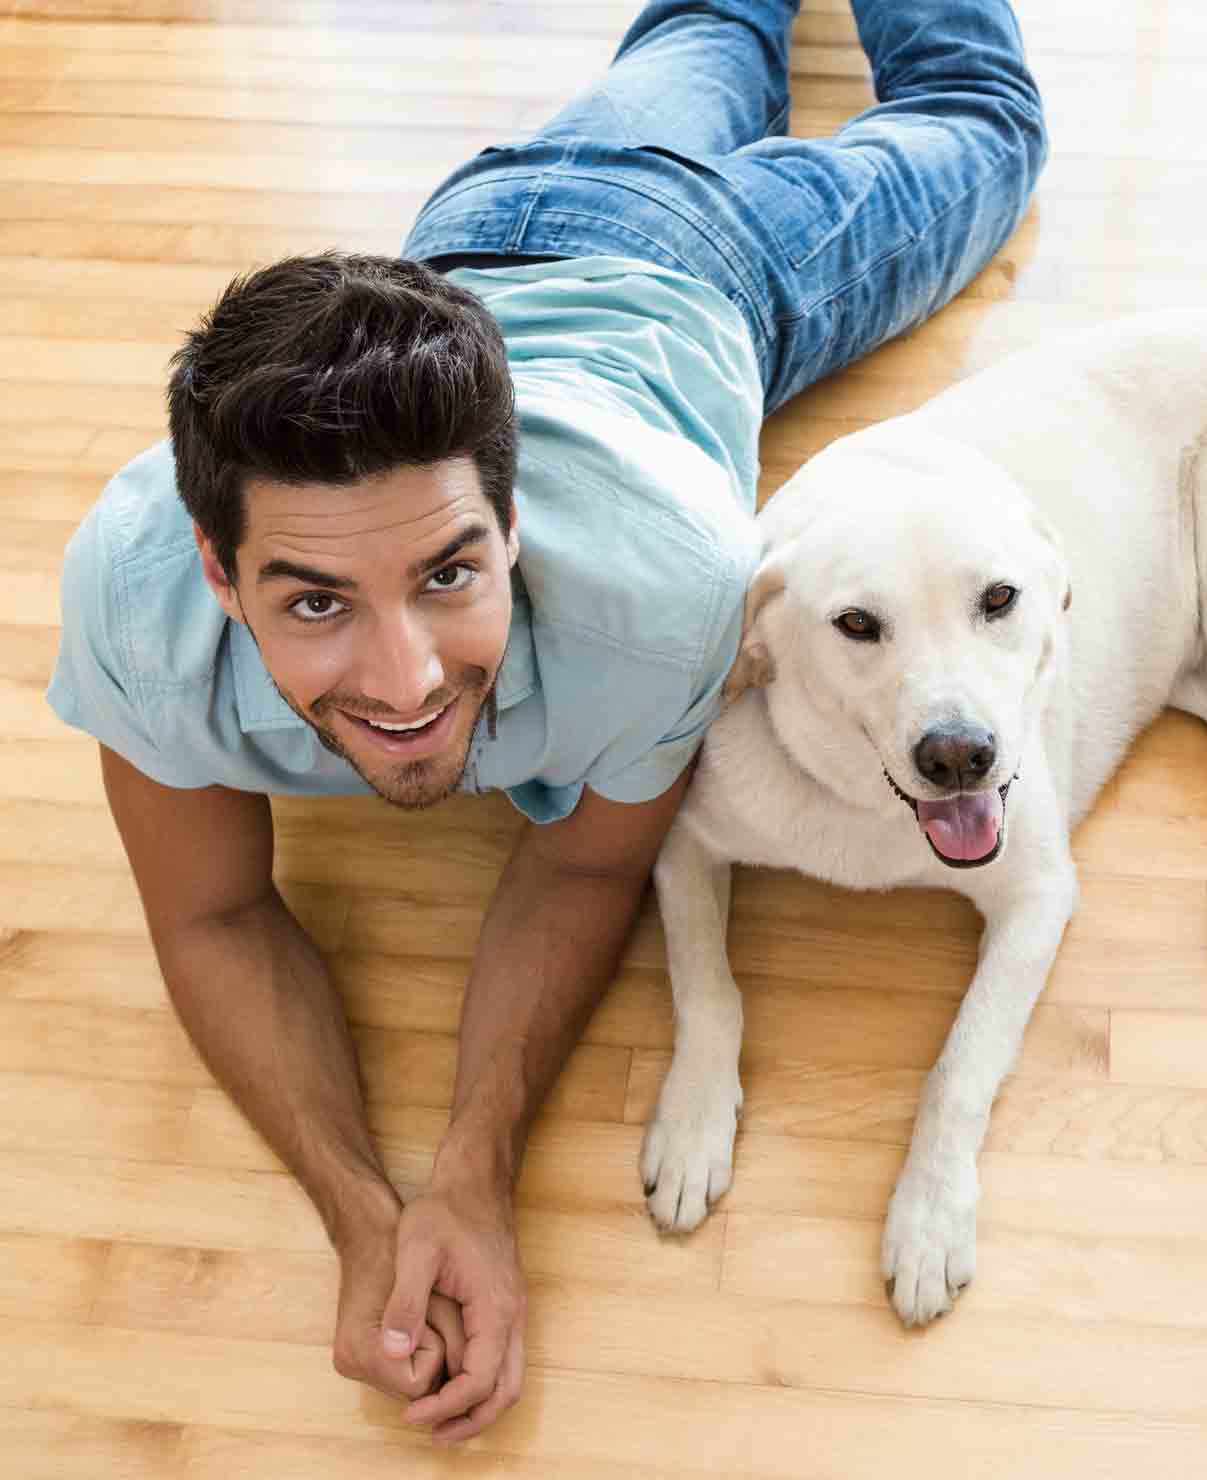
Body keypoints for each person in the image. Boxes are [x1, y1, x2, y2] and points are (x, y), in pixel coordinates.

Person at [45, 0, 1045, 1444]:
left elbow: (581, 866)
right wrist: (369, 1216)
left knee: (981, 120)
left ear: (510, 526)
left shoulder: (666, 602)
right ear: (217, 569)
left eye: (449, 574)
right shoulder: (135, 598)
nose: (402, 686)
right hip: (466, 234)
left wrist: (477, 1170)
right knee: (710, 30)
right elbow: (210, 918)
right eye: (316, 602)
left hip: (708, 269)